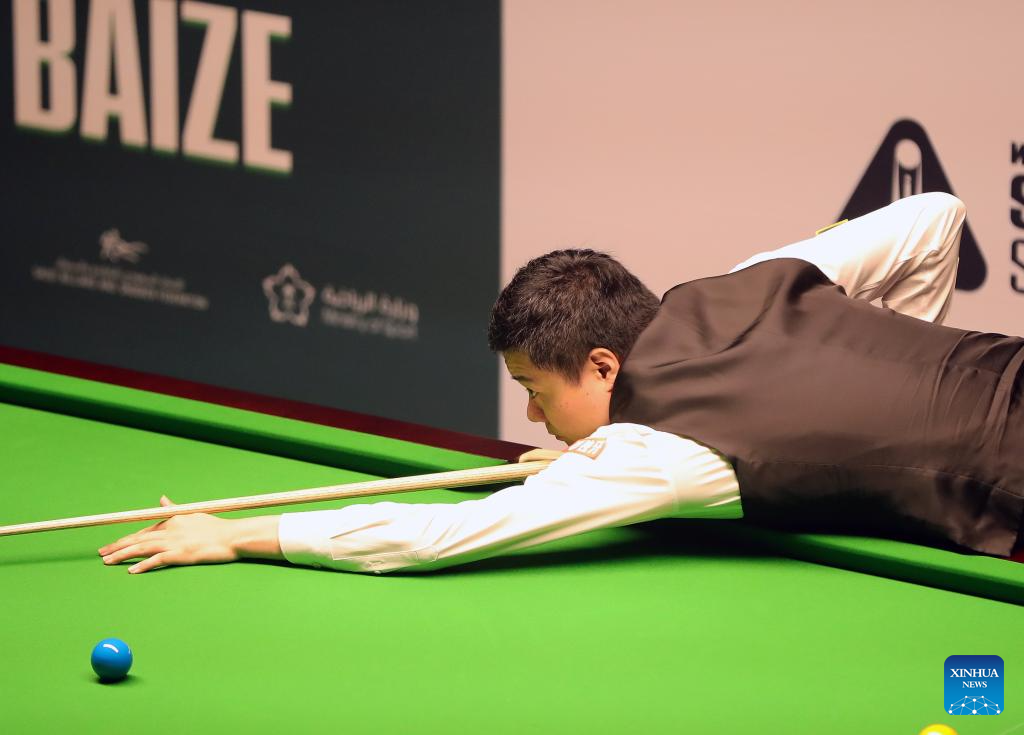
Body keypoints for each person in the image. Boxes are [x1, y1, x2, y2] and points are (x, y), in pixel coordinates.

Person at [97, 192, 1024, 575]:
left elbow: (435, 535)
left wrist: (236, 533)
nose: (531, 414)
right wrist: (908, 372)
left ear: (605, 365)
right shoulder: (749, 280)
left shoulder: (657, 452)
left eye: (536, 388)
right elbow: (938, 216)